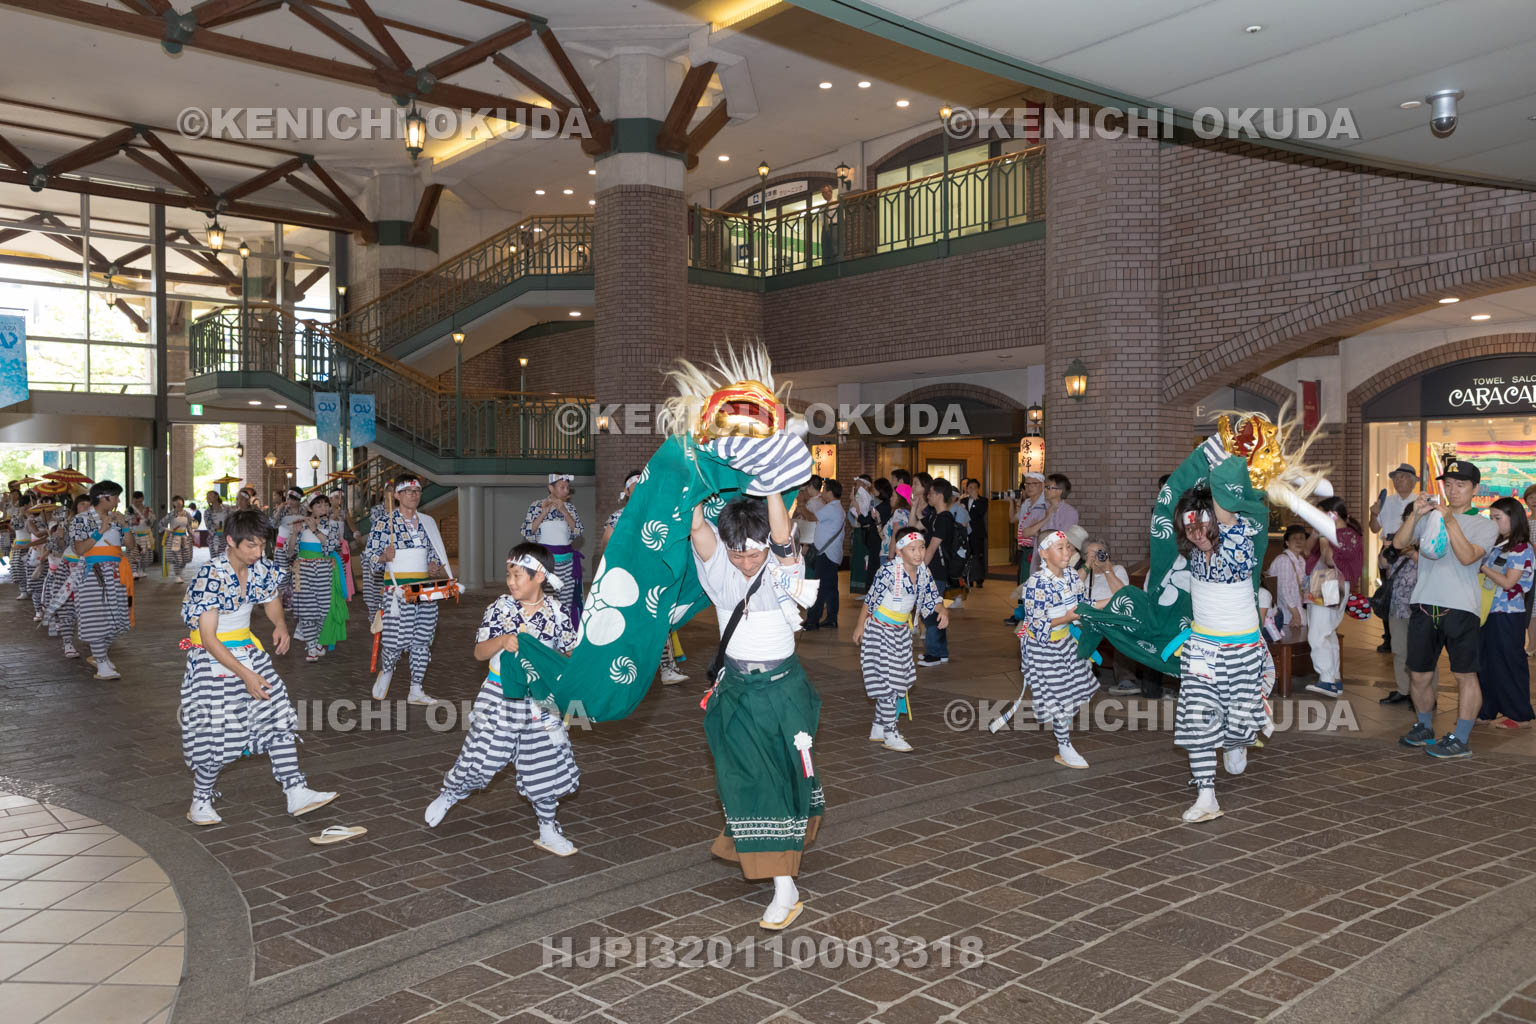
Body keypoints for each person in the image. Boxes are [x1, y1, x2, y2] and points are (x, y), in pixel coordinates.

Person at [692, 493, 823, 930]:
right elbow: (698, 529)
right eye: (737, 552)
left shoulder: (786, 568)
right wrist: (691, 476)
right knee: (749, 780)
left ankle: (783, 863)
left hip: (784, 692)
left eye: (754, 550)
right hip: (738, 692)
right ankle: (786, 888)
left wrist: (770, 484)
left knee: (786, 778)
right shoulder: (719, 568)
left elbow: (782, 532)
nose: (746, 561)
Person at [180, 509, 338, 826]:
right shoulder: (210, 575)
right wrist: (246, 674)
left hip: (249, 653)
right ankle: (200, 799)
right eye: (250, 546)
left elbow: (270, 598)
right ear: (230, 542)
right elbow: (210, 639)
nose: (258, 553)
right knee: (217, 734)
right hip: (212, 661)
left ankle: (296, 791)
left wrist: (279, 624)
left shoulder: (260, 567)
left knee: (278, 718)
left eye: (261, 545)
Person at [425, 544, 581, 852]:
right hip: (499, 693)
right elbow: (479, 652)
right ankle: (450, 794)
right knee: (485, 758)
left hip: (541, 700)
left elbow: (569, 654)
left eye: (517, 575)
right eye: (509, 574)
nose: (510, 581)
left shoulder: (559, 613)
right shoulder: (500, 608)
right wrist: (502, 640)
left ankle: (548, 827)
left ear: (540, 577)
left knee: (545, 762)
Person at [1393, 459, 1501, 759]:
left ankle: (1461, 738)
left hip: (1461, 608)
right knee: (1419, 674)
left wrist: (1450, 521)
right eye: (1449, 485)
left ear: (1475, 489)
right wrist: (1415, 515)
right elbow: (1400, 543)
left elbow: (1468, 558)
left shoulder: (1485, 525)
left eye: (1461, 485)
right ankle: (1424, 726)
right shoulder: (1429, 516)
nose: (1453, 491)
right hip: (1424, 604)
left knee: (1465, 675)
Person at [1174, 482, 1268, 823]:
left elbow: (1228, 512)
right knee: (1198, 721)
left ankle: (1236, 740)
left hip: (1242, 649)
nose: (1198, 534)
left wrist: (1218, 472)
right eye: (1191, 528)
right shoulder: (1195, 555)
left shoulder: (1237, 544)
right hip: (1201, 648)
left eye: (1203, 526)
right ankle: (1206, 796)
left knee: (1238, 721)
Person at [1019, 530, 1124, 768]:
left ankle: (1063, 735)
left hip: (1065, 642)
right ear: (1044, 554)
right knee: (1061, 698)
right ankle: (1064, 744)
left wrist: (1111, 602)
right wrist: (1067, 618)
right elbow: (1037, 623)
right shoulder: (1036, 583)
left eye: (1068, 547)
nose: (1067, 552)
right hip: (1043, 647)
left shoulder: (1070, 576)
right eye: (1060, 548)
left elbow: (1081, 605)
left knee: (1077, 691)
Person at [853, 525, 945, 752]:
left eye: (921, 548)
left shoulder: (923, 571)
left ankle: (878, 727)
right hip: (880, 631)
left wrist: (942, 610)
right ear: (900, 551)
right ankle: (890, 733)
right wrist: (859, 626)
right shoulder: (887, 572)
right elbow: (870, 600)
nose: (918, 553)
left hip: (901, 632)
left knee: (895, 680)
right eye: (912, 549)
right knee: (892, 683)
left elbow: (933, 596)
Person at [367, 475, 454, 705]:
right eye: (407, 491)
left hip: (425, 589)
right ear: (396, 495)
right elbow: (369, 555)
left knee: (422, 639)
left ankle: (416, 689)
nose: (413, 495)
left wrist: (434, 566)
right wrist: (384, 556)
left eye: (417, 491)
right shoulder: (385, 523)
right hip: (397, 590)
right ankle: (387, 670)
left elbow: (434, 553)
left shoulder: (427, 522)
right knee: (396, 638)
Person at [603, 470, 687, 685]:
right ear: (626, 491)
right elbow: (607, 546)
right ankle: (627, 667)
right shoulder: (618, 517)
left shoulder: (660, 514)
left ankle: (666, 668)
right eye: (635, 484)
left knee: (661, 620)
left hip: (655, 576)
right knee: (630, 623)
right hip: (628, 577)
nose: (640, 487)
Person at [1477, 497, 1534, 727]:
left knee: (1510, 662)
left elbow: (1509, 582)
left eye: (1497, 518)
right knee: (1487, 661)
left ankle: (1519, 714)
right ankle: (1487, 709)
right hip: (1489, 610)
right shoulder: (1498, 544)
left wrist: (1482, 567)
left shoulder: (1521, 547)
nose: (1493, 522)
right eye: (1491, 518)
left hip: (1509, 613)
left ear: (1514, 517)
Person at [70, 480, 132, 681]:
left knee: (116, 618)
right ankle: (102, 662)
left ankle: (100, 656)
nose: (118, 501)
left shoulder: (118, 518)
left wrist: (124, 526)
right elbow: (79, 549)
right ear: (102, 498)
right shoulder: (81, 519)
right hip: (92, 574)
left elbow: (130, 546)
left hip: (116, 573)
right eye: (115, 497)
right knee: (96, 618)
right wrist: (100, 531)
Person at [1303, 497, 1363, 699]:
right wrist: (1315, 533)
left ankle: (1326, 680)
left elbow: (1329, 560)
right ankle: (1334, 677)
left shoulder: (1346, 535)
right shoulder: (1332, 532)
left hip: (1329, 583)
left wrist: (1323, 537)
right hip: (1322, 582)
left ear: (1332, 515)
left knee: (1318, 633)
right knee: (1327, 632)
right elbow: (1305, 551)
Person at [288, 492, 345, 662]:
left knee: (324, 610)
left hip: (323, 570)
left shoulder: (333, 525)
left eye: (326, 504)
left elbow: (331, 547)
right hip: (301, 571)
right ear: (310, 507)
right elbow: (290, 551)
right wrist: (293, 534)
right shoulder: (301, 524)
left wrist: (315, 529)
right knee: (306, 611)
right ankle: (312, 646)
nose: (324, 508)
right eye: (318, 505)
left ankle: (320, 641)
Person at [1369, 463, 1420, 651]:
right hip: (1389, 547)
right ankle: (1389, 637)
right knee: (1388, 592)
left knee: (1411, 591)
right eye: (1395, 478)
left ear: (1413, 481)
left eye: (1402, 477)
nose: (1397, 481)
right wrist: (1373, 514)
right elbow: (1374, 528)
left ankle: (1412, 633)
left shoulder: (1420, 501)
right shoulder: (1387, 501)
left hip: (1411, 548)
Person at [522, 473, 584, 624]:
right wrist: (543, 513)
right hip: (545, 563)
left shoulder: (570, 508)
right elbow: (527, 532)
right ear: (551, 488)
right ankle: (544, 633)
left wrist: (564, 511)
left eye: (567, 488)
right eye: (562, 487)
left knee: (566, 602)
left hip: (567, 563)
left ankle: (564, 636)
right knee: (543, 601)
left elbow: (578, 531)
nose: (566, 490)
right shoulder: (536, 506)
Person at [1382, 542, 1433, 705]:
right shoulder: (1398, 546)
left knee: (1424, 653)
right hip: (1397, 608)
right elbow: (1382, 563)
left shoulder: (1430, 544)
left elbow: (1430, 569)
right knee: (1399, 651)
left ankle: (1428, 695)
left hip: (1421, 609)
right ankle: (1404, 690)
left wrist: (1411, 552)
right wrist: (1387, 547)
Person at [917, 480, 960, 667]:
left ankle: (933, 654)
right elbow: (916, 523)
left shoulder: (944, 518)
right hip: (933, 569)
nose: (928, 496)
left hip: (936, 570)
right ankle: (941, 652)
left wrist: (920, 571)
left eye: (931, 493)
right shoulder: (935, 516)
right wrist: (914, 506)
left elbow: (933, 547)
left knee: (930, 613)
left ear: (940, 495)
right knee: (937, 610)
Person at [803, 478, 845, 630]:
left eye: (825, 490)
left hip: (827, 554)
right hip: (831, 554)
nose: (822, 493)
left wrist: (803, 504)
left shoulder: (832, 508)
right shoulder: (835, 507)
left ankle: (812, 621)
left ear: (830, 493)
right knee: (831, 589)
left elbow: (812, 518)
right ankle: (831, 619)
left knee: (819, 589)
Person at [1268, 525, 1309, 635]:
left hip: (1297, 610)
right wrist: (1295, 613)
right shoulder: (1284, 560)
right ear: (1287, 542)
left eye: (1302, 538)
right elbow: (1283, 590)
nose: (1299, 541)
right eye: (1294, 538)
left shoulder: (1300, 560)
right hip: (1287, 614)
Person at [847, 475, 879, 596]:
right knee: (858, 560)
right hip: (858, 530)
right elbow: (850, 516)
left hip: (866, 532)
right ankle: (859, 589)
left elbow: (868, 517)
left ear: (866, 485)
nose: (856, 486)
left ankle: (867, 588)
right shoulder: (858, 497)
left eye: (859, 483)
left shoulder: (871, 499)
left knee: (866, 560)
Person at [961, 479, 989, 589]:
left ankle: (979, 579)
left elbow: (981, 513)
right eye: (970, 487)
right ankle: (969, 578)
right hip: (966, 532)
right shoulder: (963, 501)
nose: (972, 490)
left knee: (978, 555)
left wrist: (976, 499)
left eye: (975, 487)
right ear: (967, 489)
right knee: (967, 555)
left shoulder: (983, 500)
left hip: (977, 533)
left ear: (978, 489)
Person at [163, 496, 192, 582]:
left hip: (184, 538)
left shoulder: (187, 514)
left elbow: (190, 526)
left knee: (185, 557)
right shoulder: (171, 514)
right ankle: (177, 575)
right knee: (177, 557)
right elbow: (161, 524)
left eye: (179, 501)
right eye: (175, 501)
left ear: (182, 502)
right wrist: (168, 530)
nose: (178, 503)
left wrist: (192, 534)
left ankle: (180, 573)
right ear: (173, 503)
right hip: (174, 538)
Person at [127, 491, 154, 578]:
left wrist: (148, 518)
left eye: (140, 501)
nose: (138, 503)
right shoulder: (129, 510)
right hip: (134, 535)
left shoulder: (148, 509)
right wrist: (133, 521)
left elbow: (152, 522)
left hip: (146, 534)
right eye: (136, 501)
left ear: (142, 499)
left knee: (145, 554)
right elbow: (126, 521)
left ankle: (141, 569)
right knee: (134, 553)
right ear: (133, 500)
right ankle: (133, 571)